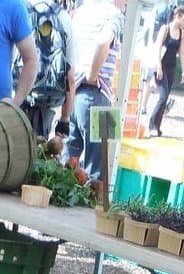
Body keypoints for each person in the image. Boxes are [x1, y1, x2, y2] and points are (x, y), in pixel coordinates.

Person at [63, 0, 125, 179]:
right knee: (100, 171)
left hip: (75, 92)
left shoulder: (81, 11)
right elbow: (103, 41)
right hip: (99, 92)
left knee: (66, 169)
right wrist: (92, 74)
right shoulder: (114, 15)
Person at [16, 0, 72, 136]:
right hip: (47, 106)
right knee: (39, 153)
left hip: (15, 101)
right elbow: (70, 77)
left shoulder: (18, 10)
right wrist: (64, 119)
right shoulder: (63, 17)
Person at [148, 5, 184, 136]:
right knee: (162, 96)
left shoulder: (182, 33)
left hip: (171, 67)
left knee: (166, 97)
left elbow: (182, 52)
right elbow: (157, 47)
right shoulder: (166, 29)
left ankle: (157, 126)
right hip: (161, 65)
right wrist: (158, 66)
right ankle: (152, 123)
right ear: (177, 16)